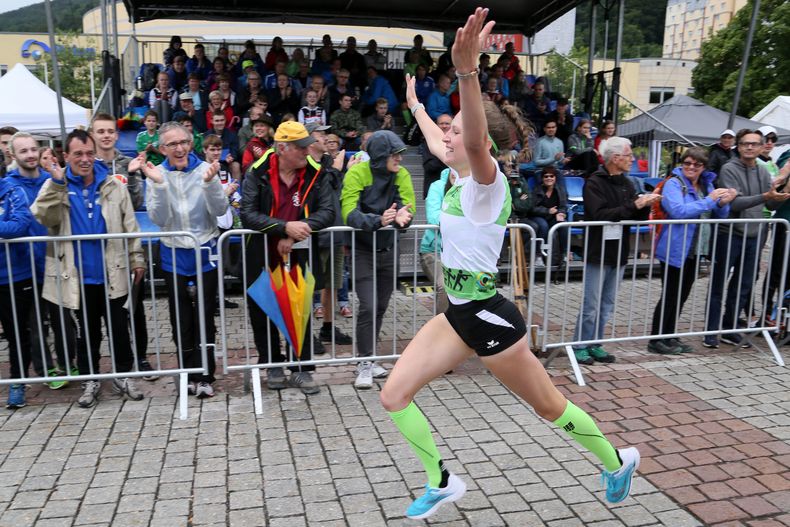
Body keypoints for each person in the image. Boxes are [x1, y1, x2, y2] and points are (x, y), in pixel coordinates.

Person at [385, 10, 642, 520]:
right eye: (447, 129)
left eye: (454, 128)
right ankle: (441, 481)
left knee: (548, 407)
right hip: (459, 315)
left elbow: (475, 141)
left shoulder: (487, 185)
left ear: (481, 141)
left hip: (490, 318)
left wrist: (466, 73)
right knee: (394, 396)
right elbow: (442, 142)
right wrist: (415, 105)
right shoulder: (457, 177)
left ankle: (617, 460)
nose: (447, 136)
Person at [31, 129, 146, 408]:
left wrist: (137, 258)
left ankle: (124, 376)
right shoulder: (56, 185)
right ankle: (90, 379)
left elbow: (130, 224)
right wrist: (57, 185)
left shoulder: (113, 185)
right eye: (78, 153)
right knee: (87, 333)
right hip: (78, 276)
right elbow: (45, 217)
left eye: (88, 153)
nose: (84, 159)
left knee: (119, 329)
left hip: (113, 272)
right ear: (66, 155)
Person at [239, 121, 335, 394]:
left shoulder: (317, 173)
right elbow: (247, 214)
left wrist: (293, 234)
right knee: (262, 310)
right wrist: (283, 227)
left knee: (300, 308)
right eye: (301, 147)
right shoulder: (256, 172)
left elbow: (328, 212)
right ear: (282, 148)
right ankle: (272, 363)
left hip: (300, 253)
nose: (308, 151)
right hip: (261, 253)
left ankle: (302, 368)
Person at [141, 122, 226, 398]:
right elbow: (159, 219)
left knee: (204, 316)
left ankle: (206, 375)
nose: (179, 149)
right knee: (180, 318)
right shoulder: (156, 173)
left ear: (191, 143)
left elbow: (220, 210)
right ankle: (187, 372)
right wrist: (161, 186)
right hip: (173, 252)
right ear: (163, 148)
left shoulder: (205, 169)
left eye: (183, 142)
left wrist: (212, 182)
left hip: (204, 249)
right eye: (171, 144)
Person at [572, 137, 662, 364]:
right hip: (598, 250)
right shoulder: (594, 182)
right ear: (615, 158)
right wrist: (635, 205)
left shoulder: (627, 182)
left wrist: (644, 205)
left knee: (608, 302)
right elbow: (600, 214)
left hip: (619, 249)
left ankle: (595, 343)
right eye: (629, 155)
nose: (632, 159)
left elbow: (631, 213)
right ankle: (579, 345)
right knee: (591, 303)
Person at [341, 130, 414, 389]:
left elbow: (407, 206)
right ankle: (363, 362)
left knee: (380, 307)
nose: (401, 160)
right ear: (382, 154)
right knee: (368, 306)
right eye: (396, 154)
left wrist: (405, 218)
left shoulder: (401, 175)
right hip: (362, 251)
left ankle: (371, 359)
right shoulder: (357, 173)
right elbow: (348, 211)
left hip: (388, 250)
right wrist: (378, 220)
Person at [704, 128, 790, 348]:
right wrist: (765, 196)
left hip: (754, 235)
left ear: (762, 147)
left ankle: (730, 327)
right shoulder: (729, 168)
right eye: (744, 144)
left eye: (754, 144)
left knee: (743, 285)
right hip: (729, 234)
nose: (749, 147)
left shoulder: (762, 171)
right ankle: (711, 331)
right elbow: (736, 203)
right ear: (738, 147)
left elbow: (769, 205)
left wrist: (781, 195)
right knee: (718, 283)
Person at [649, 147, 736, 355]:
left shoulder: (706, 184)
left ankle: (669, 335)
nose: (691, 167)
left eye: (696, 165)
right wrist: (710, 200)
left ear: (703, 167)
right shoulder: (673, 183)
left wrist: (723, 202)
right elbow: (679, 211)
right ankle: (656, 338)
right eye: (687, 163)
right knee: (670, 294)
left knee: (682, 294)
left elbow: (719, 214)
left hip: (696, 247)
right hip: (675, 247)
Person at [305, 122, 354, 346]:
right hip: (313, 234)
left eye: (326, 133)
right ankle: (305, 333)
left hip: (333, 232)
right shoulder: (303, 164)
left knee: (333, 284)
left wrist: (345, 171)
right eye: (320, 133)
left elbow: (336, 191)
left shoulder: (327, 162)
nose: (325, 137)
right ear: (309, 140)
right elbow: (316, 192)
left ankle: (327, 327)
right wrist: (336, 169)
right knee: (308, 286)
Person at [0, 174, 35, 408]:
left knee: (16, 333)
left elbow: (21, 224)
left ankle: (18, 382)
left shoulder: (13, 191)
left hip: (13, 275)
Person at [419, 168, 454, 314]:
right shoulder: (437, 186)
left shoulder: (470, 186)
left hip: (460, 251)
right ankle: (443, 329)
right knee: (445, 287)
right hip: (433, 250)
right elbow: (434, 217)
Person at [531, 167, 569, 269]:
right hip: (538, 216)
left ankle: (564, 254)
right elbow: (532, 208)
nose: (549, 178)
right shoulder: (537, 190)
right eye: (546, 176)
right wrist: (547, 211)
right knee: (543, 226)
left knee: (563, 225)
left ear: (555, 178)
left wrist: (561, 213)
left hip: (553, 217)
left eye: (551, 176)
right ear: (542, 178)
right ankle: (538, 255)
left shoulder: (560, 189)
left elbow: (563, 206)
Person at [420, 114, 451, 199]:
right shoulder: (428, 142)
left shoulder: (457, 142)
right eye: (441, 123)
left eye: (447, 123)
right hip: (433, 192)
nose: (444, 126)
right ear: (436, 125)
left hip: (452, 191)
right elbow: (429, 166)